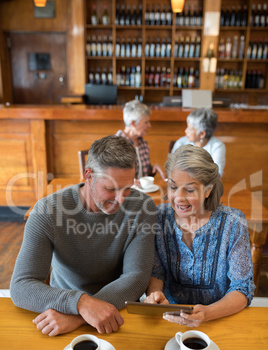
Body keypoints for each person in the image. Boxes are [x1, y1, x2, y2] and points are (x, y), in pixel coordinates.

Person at [10, 136, 157, 336]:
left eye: (128, 188)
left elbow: (136, 277)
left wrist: (79, 317)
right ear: (88, 176)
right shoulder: (47, 211)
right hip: (59, 308)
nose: (121, 199)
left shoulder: (143, 207)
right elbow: (21, 286)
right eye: (110, 189)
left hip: (112, 311)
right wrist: (80, 303)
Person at [144, 144, 255, 327]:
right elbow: (157, 272)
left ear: (208, 190)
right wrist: (156, 295)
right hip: (169, 318)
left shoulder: (233, 222)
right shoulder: (158, 218)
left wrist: (208, 313)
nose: (178, 198)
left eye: (189, 190)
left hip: (219, 318)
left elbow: (242, 288)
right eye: (173, 186)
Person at [116, 99, 165, 181]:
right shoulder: (115, 144)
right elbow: (111, 177)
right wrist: (128, 183)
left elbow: (143, 174)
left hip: (141, 193)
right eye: (146, 122)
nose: (149, 125)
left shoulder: (143, 143)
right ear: (133, 123)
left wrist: (153, 169)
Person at [172, 108, 226, 177]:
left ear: (202, 134)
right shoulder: (181, 143)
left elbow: (217, 175)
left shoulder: (217, 146)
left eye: (190, 129)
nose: (186, 131)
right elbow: (172, 168)